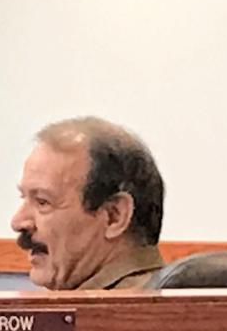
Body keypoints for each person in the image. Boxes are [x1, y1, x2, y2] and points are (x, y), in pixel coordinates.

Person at [11, 116, 166, 290]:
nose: (18, 222)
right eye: (24, 198)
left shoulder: (124, 314)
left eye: (42, 202)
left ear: (114, 217)